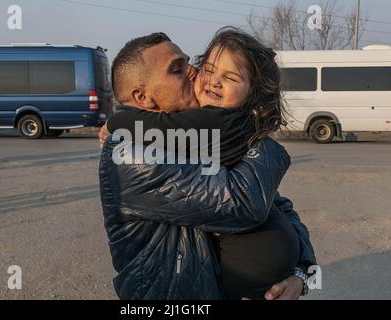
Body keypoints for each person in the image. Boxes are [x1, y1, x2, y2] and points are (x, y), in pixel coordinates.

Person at [99, 31, 316, 300]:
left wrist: (303, 274)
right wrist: (265, 140)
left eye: (190, 63)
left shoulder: (199, 139)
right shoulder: (132, 155)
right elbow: (245, 203)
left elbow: (278, 204)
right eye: (177, 69)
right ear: (142, 98)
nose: (194, 72)